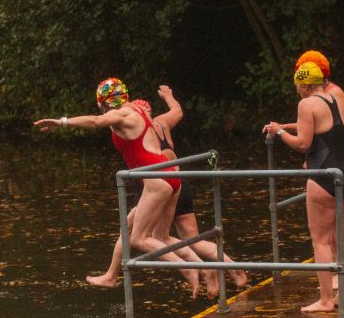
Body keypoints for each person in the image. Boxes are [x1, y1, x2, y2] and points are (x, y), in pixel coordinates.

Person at [34, 78, 216, 299]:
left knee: (139, 238)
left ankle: (191, 270)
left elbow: (94, 122)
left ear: (104, 102)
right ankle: (114, 275)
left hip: (156, 179)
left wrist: (61, 122)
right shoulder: (136, 108)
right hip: (168, 175)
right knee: (149, 231)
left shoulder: (120, 114)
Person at [85, 85, 247, 290]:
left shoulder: (130, 126)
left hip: (158, 185)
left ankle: (111, 275)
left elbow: (104, 121)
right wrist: (169, 97)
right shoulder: (161, 123)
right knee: (188, 239)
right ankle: (234, 270)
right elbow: (178, 111)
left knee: (133, 231)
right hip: (179, 183)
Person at [262, 62, 344, 313]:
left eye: (297, 84)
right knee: (341, 233)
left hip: (324, 173)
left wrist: (280, 132)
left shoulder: (306, 104)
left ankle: (327, 300)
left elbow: (303, 143)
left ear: (304, 84)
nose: (296, 89)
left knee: (321, 241)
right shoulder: (333, 98)